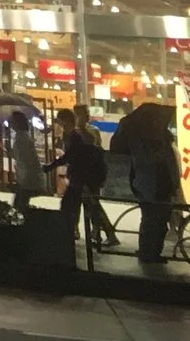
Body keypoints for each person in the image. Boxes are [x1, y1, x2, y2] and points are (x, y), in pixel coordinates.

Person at [110, 102, 182, 264]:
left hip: (162, 185)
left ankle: (154, 251)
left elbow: (170, 163)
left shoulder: (162, 137)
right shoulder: (141, 139)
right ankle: (147, 252)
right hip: (149, 185)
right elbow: (143, 161)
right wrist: (159, 154)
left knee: (160, 222)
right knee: (151, 220)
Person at [49, 107, 120, 254]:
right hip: (83, 177)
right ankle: (94, 233)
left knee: (79, 205)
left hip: (84, 177)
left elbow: (71, 156)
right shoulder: (72, 134)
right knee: (85, 206)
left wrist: (52, 165)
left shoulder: (77, 134)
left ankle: (82, 232)